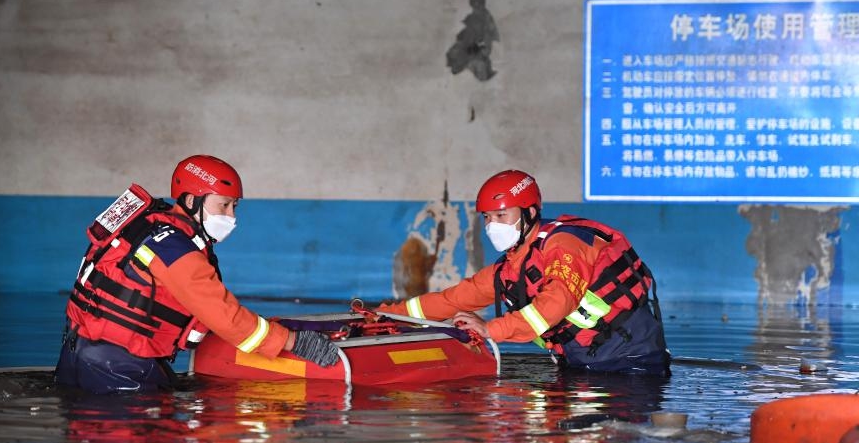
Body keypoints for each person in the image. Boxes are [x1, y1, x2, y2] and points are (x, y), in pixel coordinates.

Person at [56, 154, 342, 393]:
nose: (231, 217)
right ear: (192, 201)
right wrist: (293, 342)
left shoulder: (149, 228)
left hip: (79, 353)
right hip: (117, 365)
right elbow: (221, 313)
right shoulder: (173, 248)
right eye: (224, 205)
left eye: (235, 206)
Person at [379, 170, 670, 375]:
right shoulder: (510, 267)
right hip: (584, 367)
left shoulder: (564, 246)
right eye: (487, 217)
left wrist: (489, 330)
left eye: (501, 215)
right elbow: (452, 300)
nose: (492, 225)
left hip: (632, 367)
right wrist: (385, 316)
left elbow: (554, 305)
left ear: (530, 212)